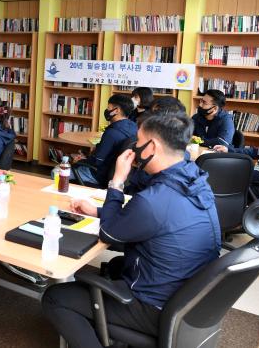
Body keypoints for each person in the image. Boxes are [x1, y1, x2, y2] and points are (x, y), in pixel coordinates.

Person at [42, 113, 221, 347]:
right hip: (189, 299)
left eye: (138, 141)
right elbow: (150, 217)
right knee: (115, 266)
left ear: (153, 146)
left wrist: (117, 180)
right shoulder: (196, 180)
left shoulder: (154, 200)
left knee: (55, 297)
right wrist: (98, 211)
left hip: (155, 305)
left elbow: (109, 232)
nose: (135, 147)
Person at [72, 94, 138, 188]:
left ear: (117, 110)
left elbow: (97, 161)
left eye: (108, 108)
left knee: (57, 172)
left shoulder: (111, 133)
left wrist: (81, 160)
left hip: (99, 175)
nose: (107, 111)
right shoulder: (134, 127)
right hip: (120, 174)